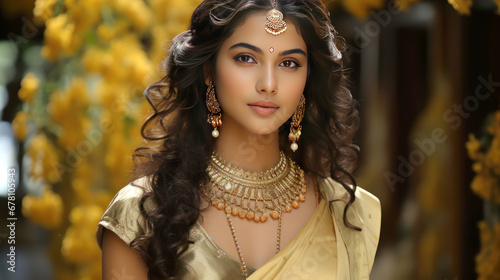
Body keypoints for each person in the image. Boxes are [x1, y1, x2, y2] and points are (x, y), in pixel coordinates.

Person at [95, 0, 381, 279]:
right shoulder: (141, 215)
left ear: (308, 78)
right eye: (246, 58)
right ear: (209, 71)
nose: (268, 84)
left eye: (289, 63)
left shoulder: (347, 212)